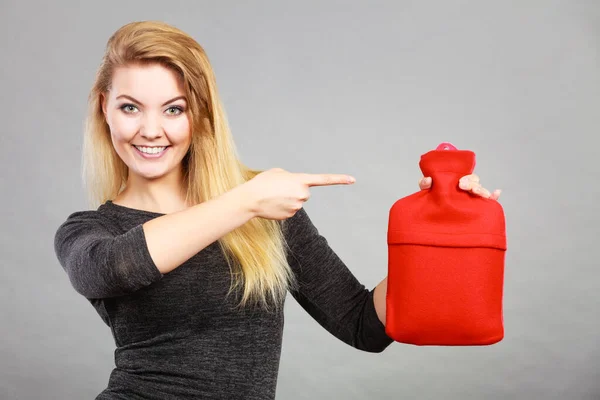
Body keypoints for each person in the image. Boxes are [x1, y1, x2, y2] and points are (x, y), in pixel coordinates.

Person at [53, 20, 501, 400]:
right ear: (104, 110)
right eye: (130, 107)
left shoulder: (263, 207)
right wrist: (245, 199)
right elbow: (115, 269)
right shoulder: (92, 231)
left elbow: (363, 325)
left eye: (174, 109)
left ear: (201, 116)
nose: (151, 130)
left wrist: (436, 231)